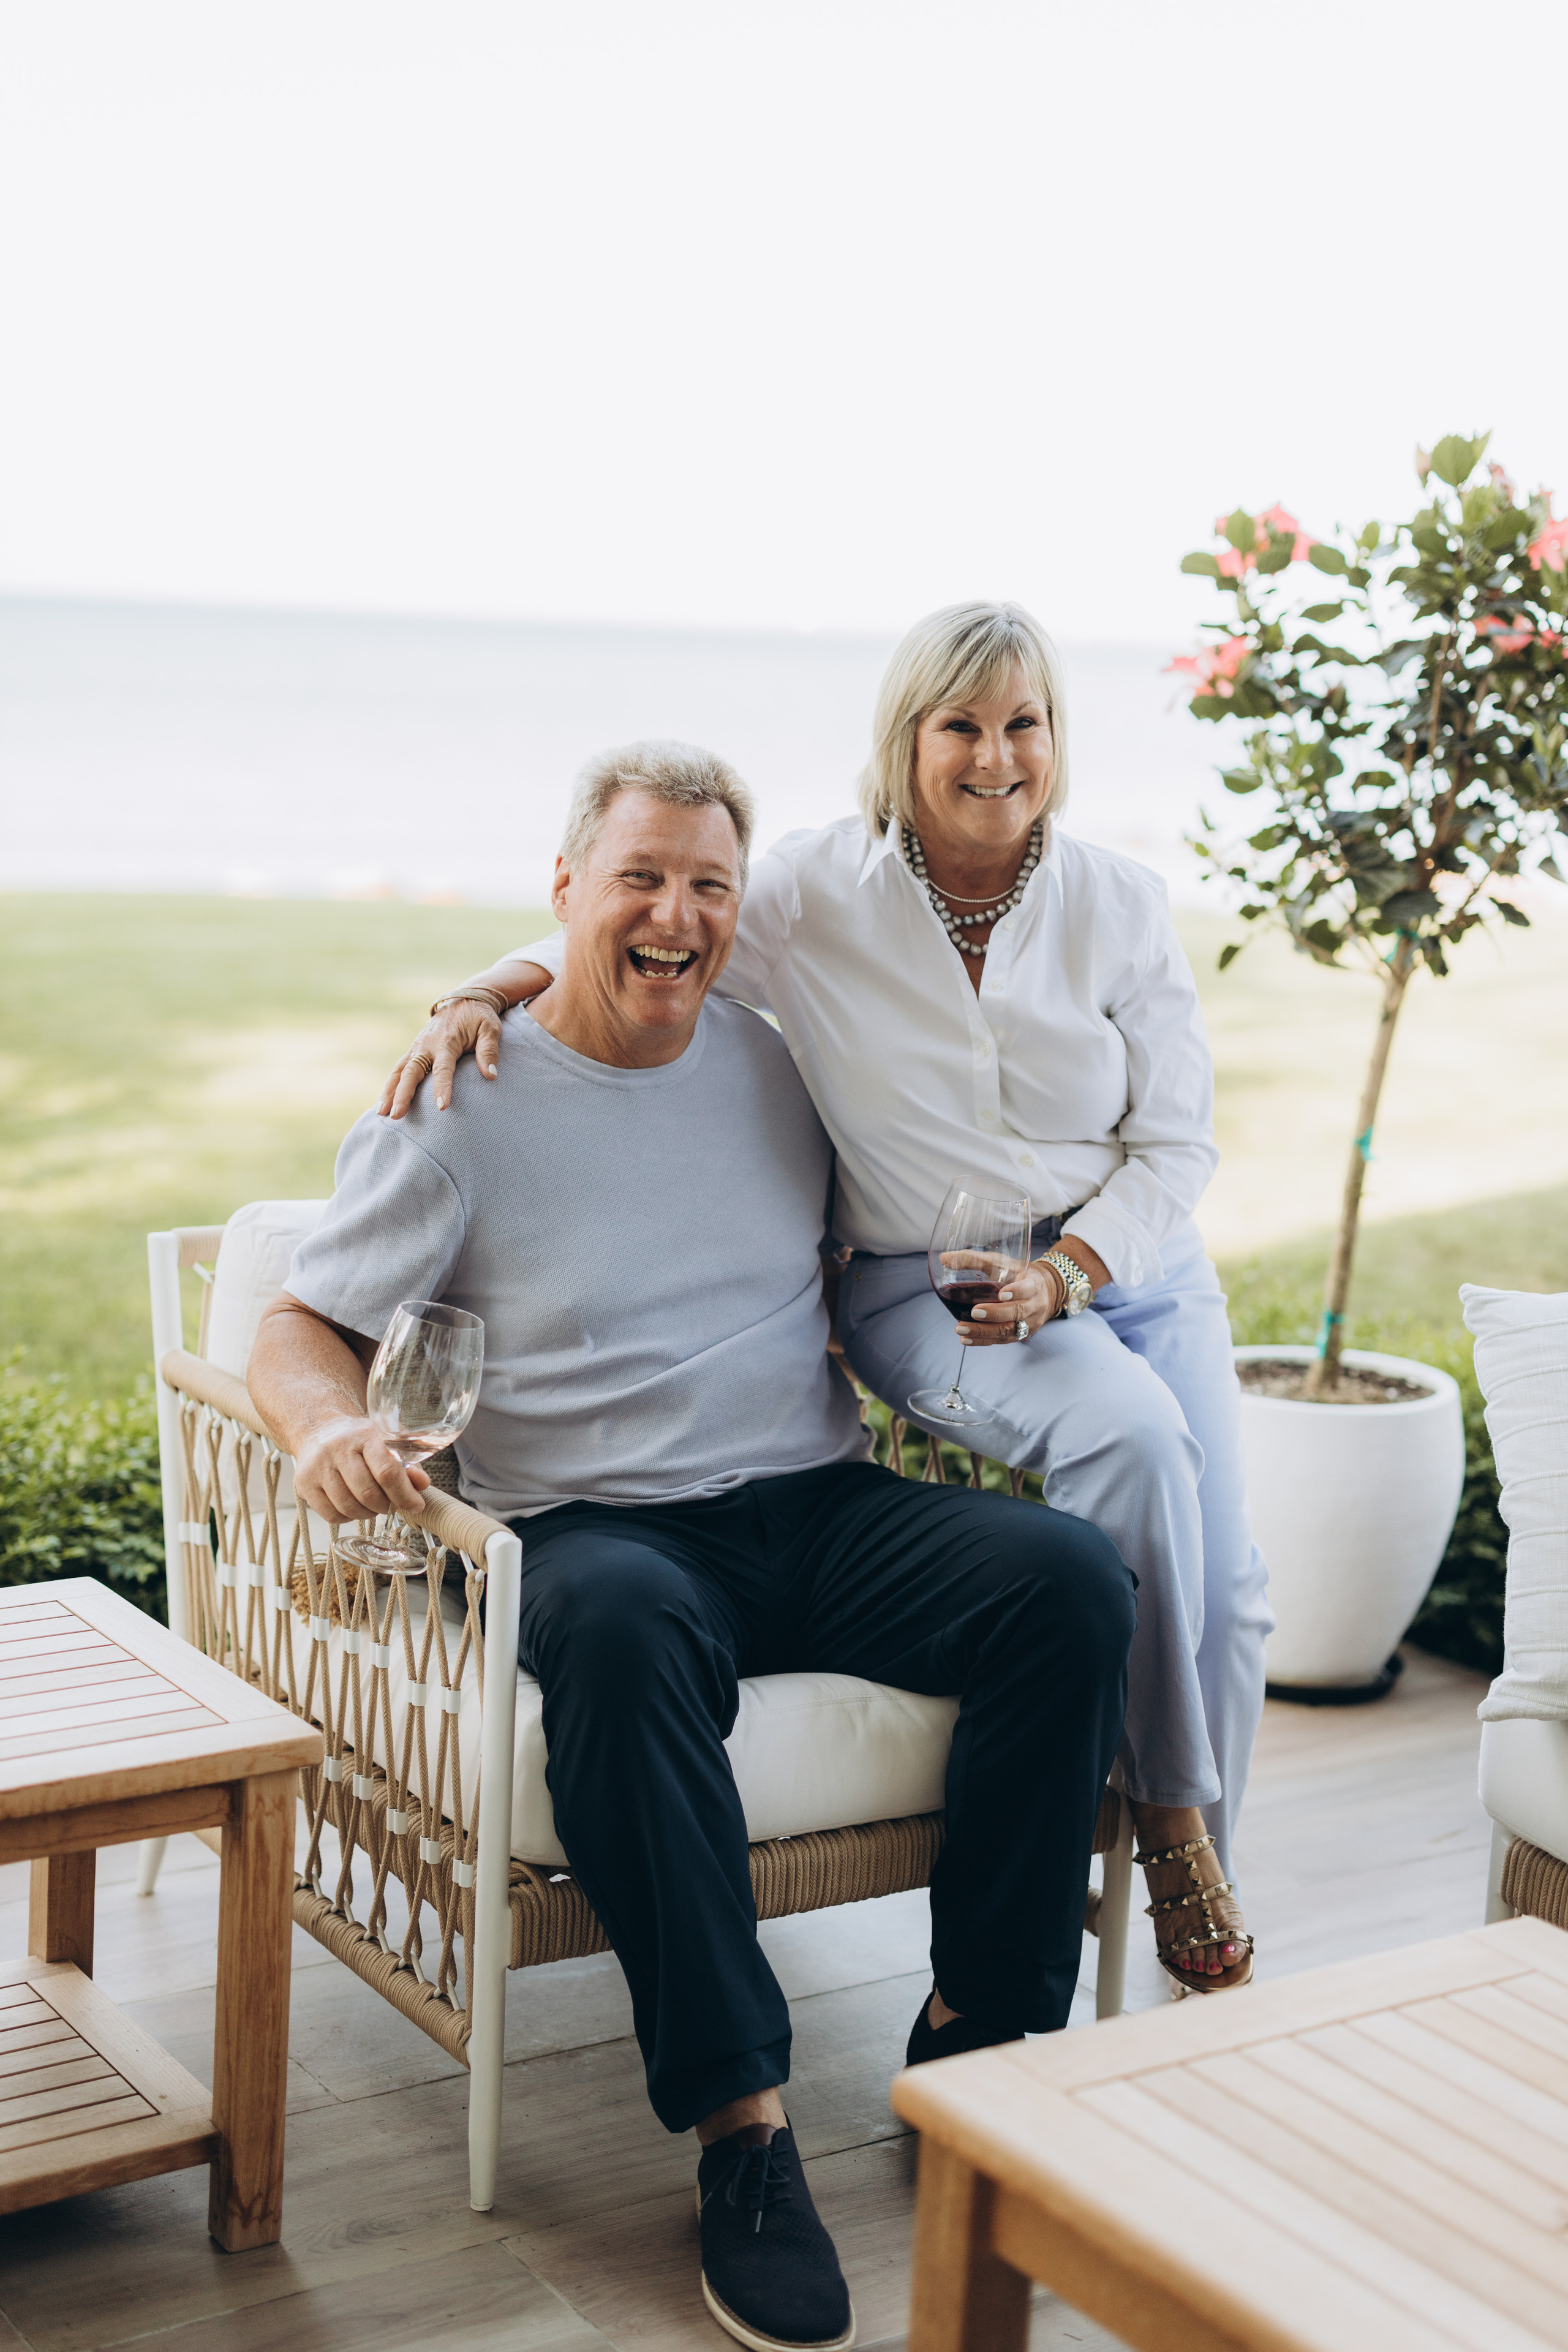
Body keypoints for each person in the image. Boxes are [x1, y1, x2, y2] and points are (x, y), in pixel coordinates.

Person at [249, 741, 1135, 2352]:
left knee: (1068, 1579)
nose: (676, 914)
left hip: (810, 1502)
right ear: (566, 891)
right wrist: (324, 1430)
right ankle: (745, 2135)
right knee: (615, 1628)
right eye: (639, 879)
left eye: (709, 885)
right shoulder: (462, 1096)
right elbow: (302, 1322)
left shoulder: (775, 1062)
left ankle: (978, 2039)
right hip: (600, 1535)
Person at [383, 603, 1275, 1996]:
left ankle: (1174, 1886)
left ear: (1055, 736)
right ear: (904, 739)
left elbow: (1176, 1147)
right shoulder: (812, 890)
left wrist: (1076, 1269)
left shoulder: (1117, 904)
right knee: (1133, 1449)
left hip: (1126, 1262)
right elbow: (642, 919)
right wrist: (482, 986)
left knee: (1228, 1586)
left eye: (1021, 722)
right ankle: (1162, 1829)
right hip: (934, 1282)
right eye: (960, 725)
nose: (993, 755)